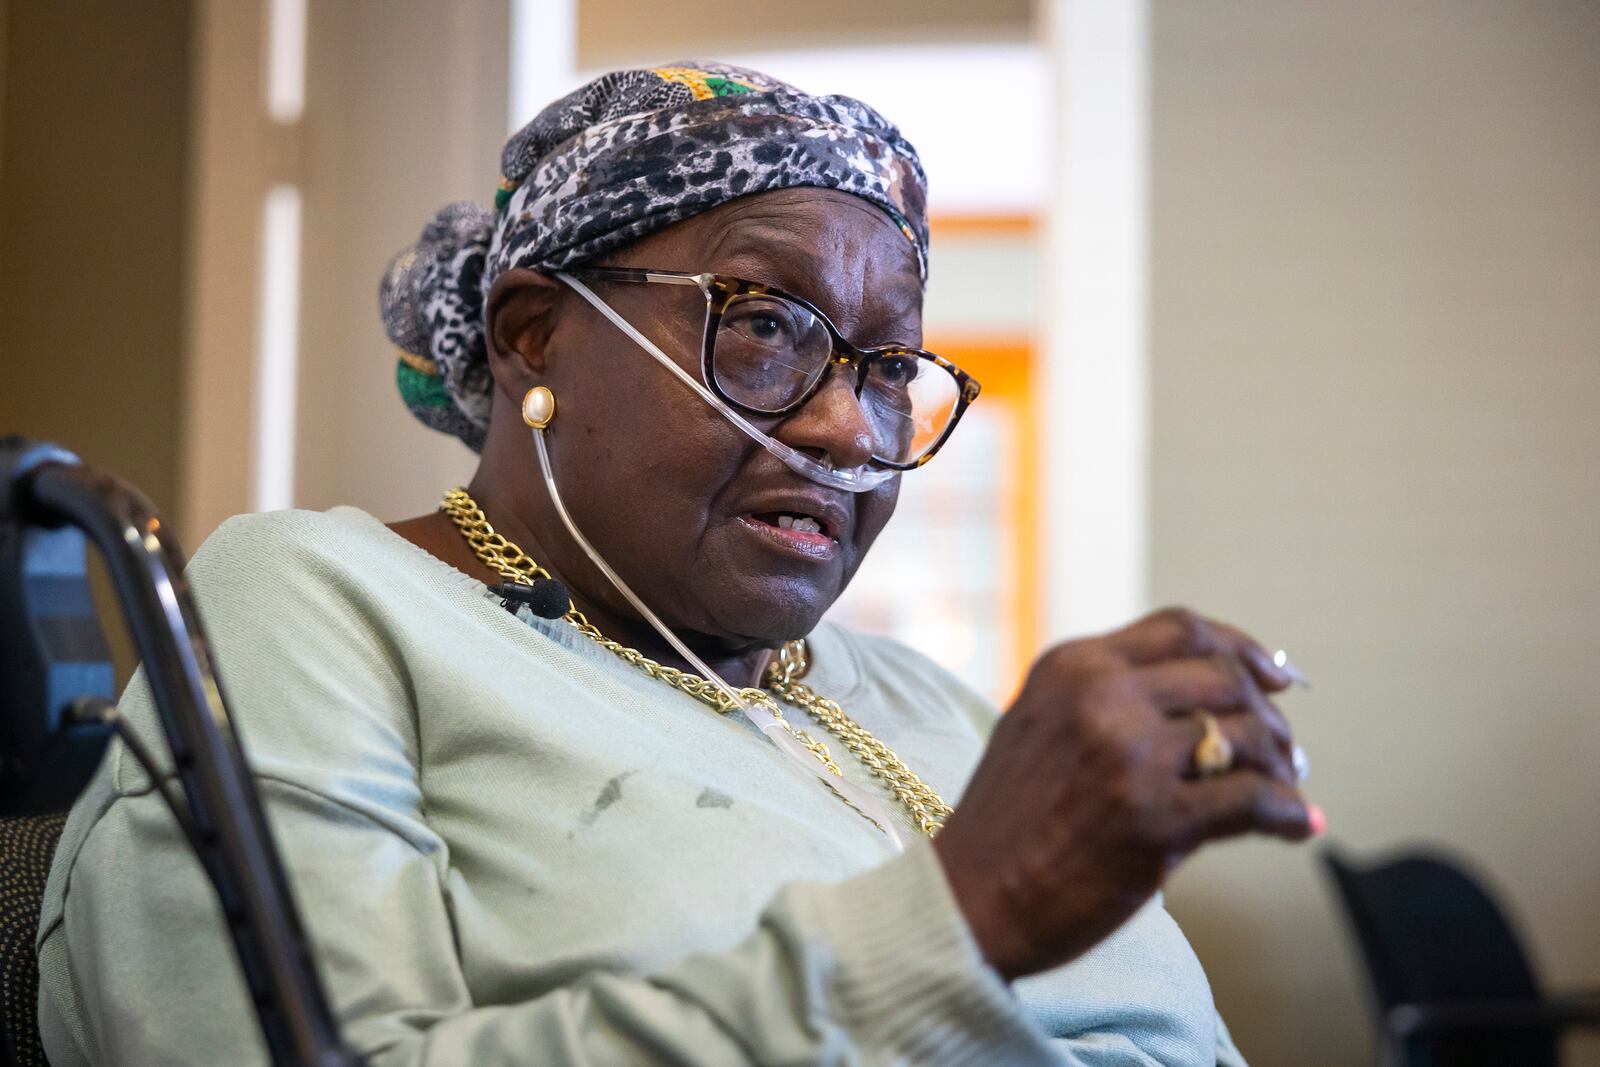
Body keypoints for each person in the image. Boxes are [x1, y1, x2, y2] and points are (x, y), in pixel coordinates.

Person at [38, 63, 1319, 1065]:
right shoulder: (321, 602)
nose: (845, 428)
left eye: (886, 372)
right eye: (765, 325)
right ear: (535, 334)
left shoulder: (927, 700)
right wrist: (961, 917)